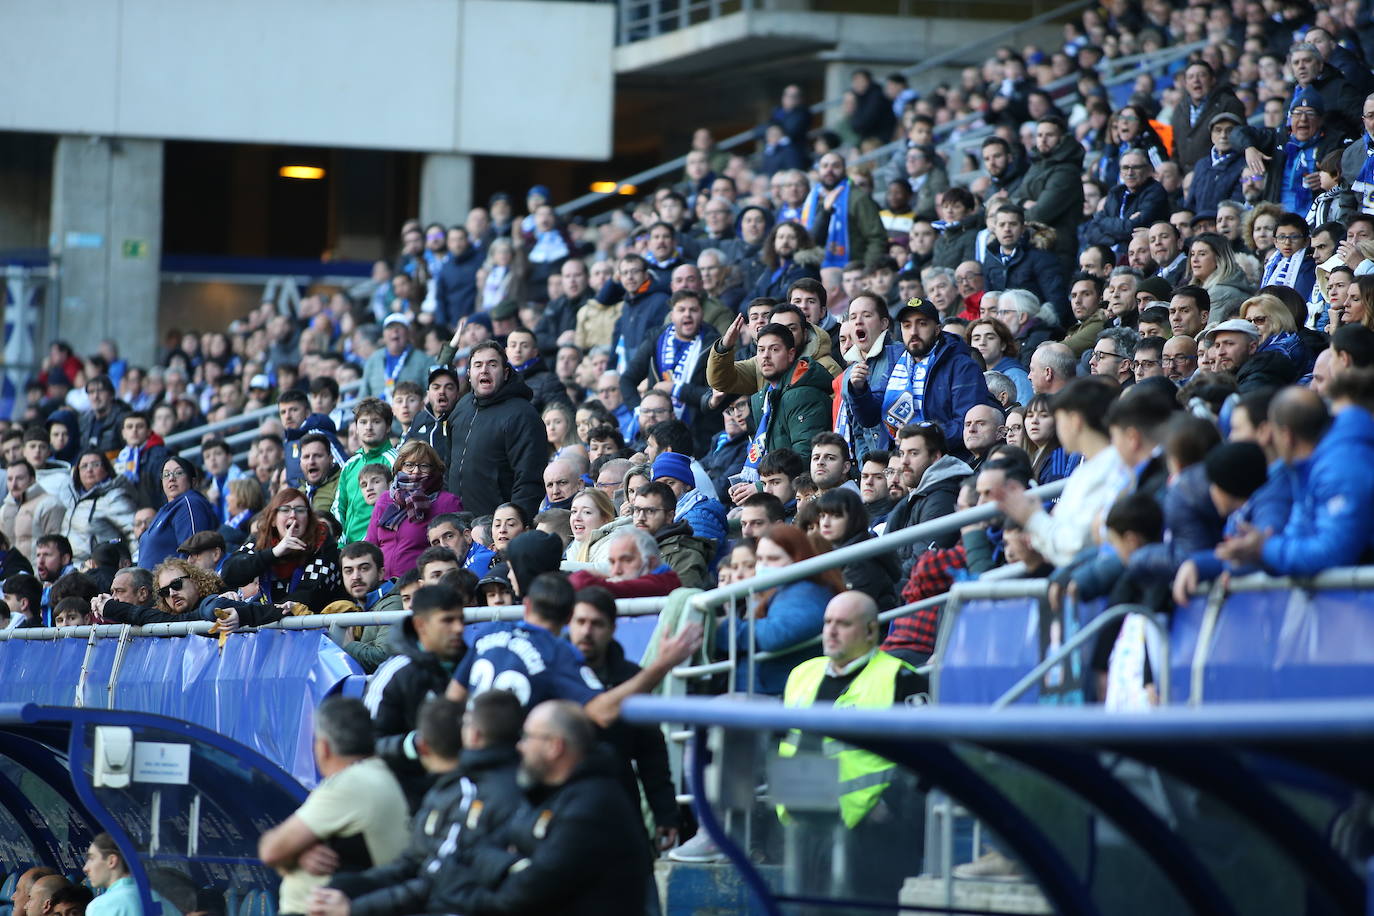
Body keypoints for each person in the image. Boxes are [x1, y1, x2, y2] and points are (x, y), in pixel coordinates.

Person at [427, 700, 654, 916]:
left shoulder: (593, 806)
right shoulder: (547, 792)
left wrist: (457, 891)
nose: (520, 746)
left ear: (555, 746)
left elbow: (520, 898)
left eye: (527, 737)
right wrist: (515, 866)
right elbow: (478, 849)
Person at [309, 695, 524, 916]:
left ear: (474, 735)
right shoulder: (454, 785)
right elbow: (413, 861)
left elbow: (437, 881)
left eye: (467, 723)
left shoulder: (473, 791)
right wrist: (350, 886)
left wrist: (355, 909)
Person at [775, 591, 927, 901]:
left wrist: (890, 808)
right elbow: (782, 738)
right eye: (827, 622)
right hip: (802, 824)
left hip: (870, 832)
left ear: (871, 631)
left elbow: (924, 758)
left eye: (843, 624)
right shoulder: (802, 674)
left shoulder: (900, 678)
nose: (830, 631)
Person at [444, 571, 700, 726]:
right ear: (569, 617)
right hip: (514, 774)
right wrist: (661, 664)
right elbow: (602, 711)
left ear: (528, 605)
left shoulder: (488, 634)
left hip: (469, 758)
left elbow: (453, 699)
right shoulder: (559, 653)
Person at [259, 697, 410, 916]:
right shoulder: (376, 774)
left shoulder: (352, 784)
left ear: (324, 747)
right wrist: (297, 854)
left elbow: (270, 850)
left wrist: (291, 852)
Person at [568, 586, 679, 852]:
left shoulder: (632, 678)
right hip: (563, 812)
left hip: (620, 810)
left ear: (611, 629)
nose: (586, 631)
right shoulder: (550, 671)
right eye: (580, 622)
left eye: (596, 624)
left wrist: (665, 812)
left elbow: (652, 754)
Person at [998, 378, 1131, 566]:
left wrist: (1032, 517)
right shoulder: (1084, 471)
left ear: (1075, 421)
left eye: (1058, 420)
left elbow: (1074, 548)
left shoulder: (1112, 468)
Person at [365, 584, 468, 807]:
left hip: (467, 794)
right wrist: (415, 744)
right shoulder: (395, 673)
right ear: (421, 625)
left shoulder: (474, 664)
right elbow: (368, 744)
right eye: (448, 620)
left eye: (461, 620)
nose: (459, 628)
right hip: (409, 799)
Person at [850, 299, 994, 450]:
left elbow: (967, 426)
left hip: (944, 460)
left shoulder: (961, 366)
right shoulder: (897, 363)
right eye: (907, 325)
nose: (913, 332)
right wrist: (860, 390)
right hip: (897, 458)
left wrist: (921, 437)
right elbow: (869, 418)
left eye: (922, 324)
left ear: (937, 329)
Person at [736, 525, 845, 695]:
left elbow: (775, 636)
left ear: (797, 558)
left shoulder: (806, 592)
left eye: (773, 559)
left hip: (782, 695)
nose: (763, 566)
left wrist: (726, 628)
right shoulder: (782, 590)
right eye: (760, 558)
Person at [445, 341, 546, 519]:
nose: (484, 370)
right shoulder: (461, 406)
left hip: (496, 528)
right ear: (469, 374)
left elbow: (529, 481)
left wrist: (512, 526)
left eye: (492, 364)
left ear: (505, 373)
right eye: (478, 365)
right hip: (457, 524)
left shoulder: (522, 415)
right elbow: (448, 465)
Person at [221, 487, 344, 613]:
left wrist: (245, 615)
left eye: (300, 510)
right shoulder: (262, 541)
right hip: (269, 621)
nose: (293, 515)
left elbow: (304, 598)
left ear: (308, 520)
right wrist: (274, 553)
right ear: (274, 520)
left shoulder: (322, 545)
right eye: (285, 510)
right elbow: (228, 573)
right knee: (216, 604)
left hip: (317, 627)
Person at [92, 556, 286, 630]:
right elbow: (150, 615)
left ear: (195, 580)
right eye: (165, 592)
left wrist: (112, 608)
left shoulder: (211, 600)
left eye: (177, 584)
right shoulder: (171, 614)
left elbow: (214, 608)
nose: (173, 593)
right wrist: (106, 606)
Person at [366, 442, 461, 578]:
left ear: (434, 469)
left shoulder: (446, 502)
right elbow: (371, 545)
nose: (416, 471)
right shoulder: (386, 499)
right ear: (399, 467)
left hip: (420, 584)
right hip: (382, 585)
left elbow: (455, 550)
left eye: (423, 466)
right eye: (409, 465)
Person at [814, 488, 899, 610]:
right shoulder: (844, 551)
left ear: (853, 518)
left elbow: (849, 610)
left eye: (836, 516)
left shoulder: (860, 562)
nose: (825, 523)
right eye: (822, 516)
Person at [800, 152, 888, 269]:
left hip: (852, 271)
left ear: (844, 170)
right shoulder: (811, 198)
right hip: (817, 270)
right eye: (825, 166)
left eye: (835, 166)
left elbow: (876, 238)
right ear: (818, 170)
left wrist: (867, 269)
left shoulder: (858, 198)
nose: (829, 170)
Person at [333, 398, 399, 545]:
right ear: (356, 427)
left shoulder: (396, 461)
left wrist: (370, 540)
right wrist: (340, 542)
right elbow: (338, 506)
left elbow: (397, 507)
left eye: (376, 422)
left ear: (388, 427)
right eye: (363, 422)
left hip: (378, 546)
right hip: (345, 548)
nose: (369, 427)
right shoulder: (349, 464)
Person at [138, 457, 218, 570]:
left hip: (175, 585)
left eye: (178, 473)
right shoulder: (164, 510)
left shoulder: (189, 503)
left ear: (193, 481)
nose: (171, 478)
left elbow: (194, 553)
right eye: (166, 475)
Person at [335, 540, 403, 673]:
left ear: (381, 573)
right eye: (348, 571)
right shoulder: (352, 608)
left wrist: (349, 646)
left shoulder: (393, 603)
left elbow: (384, 658)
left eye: (364, 568)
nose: (356, 577)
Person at [629, 481, 712, 589]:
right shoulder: (630, 547)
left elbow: (683, 600)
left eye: (650, 511)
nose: (640, 517)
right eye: (637, 510)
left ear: (669, 516)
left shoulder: (683, 554)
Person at [82, 833, 181, 916]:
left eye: (92, 858)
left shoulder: (101, 906)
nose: (85, 868)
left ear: (111, 861)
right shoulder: (164, 903)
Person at [2, 458, 65, 561]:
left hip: (38, 573)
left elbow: (56, 547)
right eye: (10, 479)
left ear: (32, 479)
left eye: (19, 478)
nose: (14, 484)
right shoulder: (4, 509)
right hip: (11, 573)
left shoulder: (50, 504)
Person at [360, 314, 429, 398]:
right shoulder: (373, 359)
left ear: (408, 334)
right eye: (389, 327)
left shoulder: (423, 360)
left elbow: (429, 392)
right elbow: (363, 395)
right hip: (379, 409)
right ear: (383, 336)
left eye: (399, 327)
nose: (395, 330)